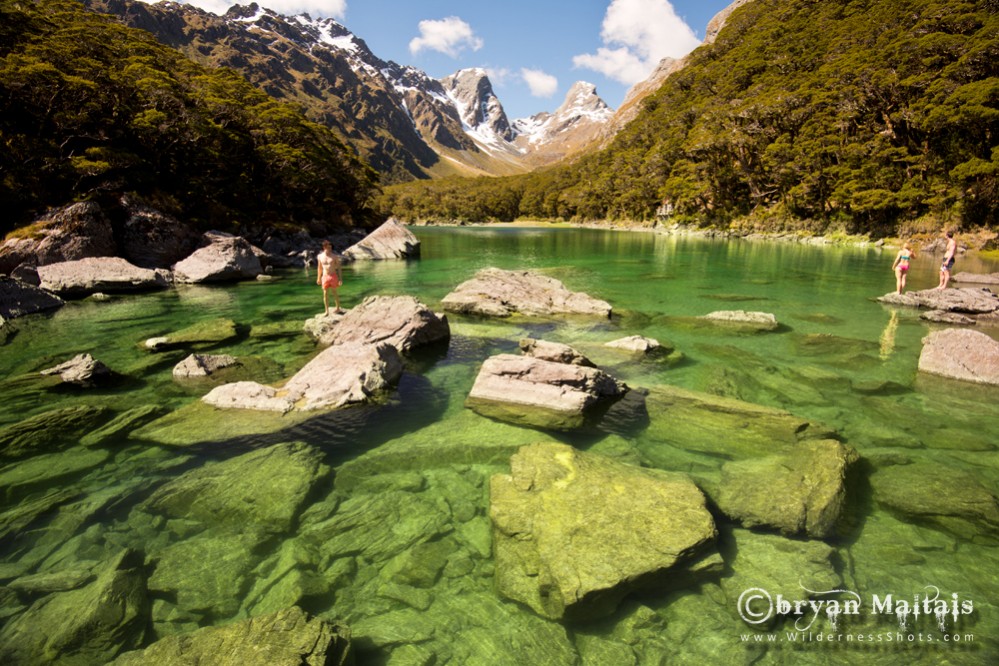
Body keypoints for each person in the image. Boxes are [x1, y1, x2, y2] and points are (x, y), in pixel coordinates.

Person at [316, 239, 343, 315]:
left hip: (333, 276)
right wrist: (318, 278)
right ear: (324, 247)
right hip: (325, 276)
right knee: (325, 293)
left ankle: (338, 308)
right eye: (328, 247)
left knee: (334, 292)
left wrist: (340, 279)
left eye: (331, 248)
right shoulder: (320, 256)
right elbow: (319, 268)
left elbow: (339, 268)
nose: (330, 249)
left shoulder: (334, 256)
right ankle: (326, 311)